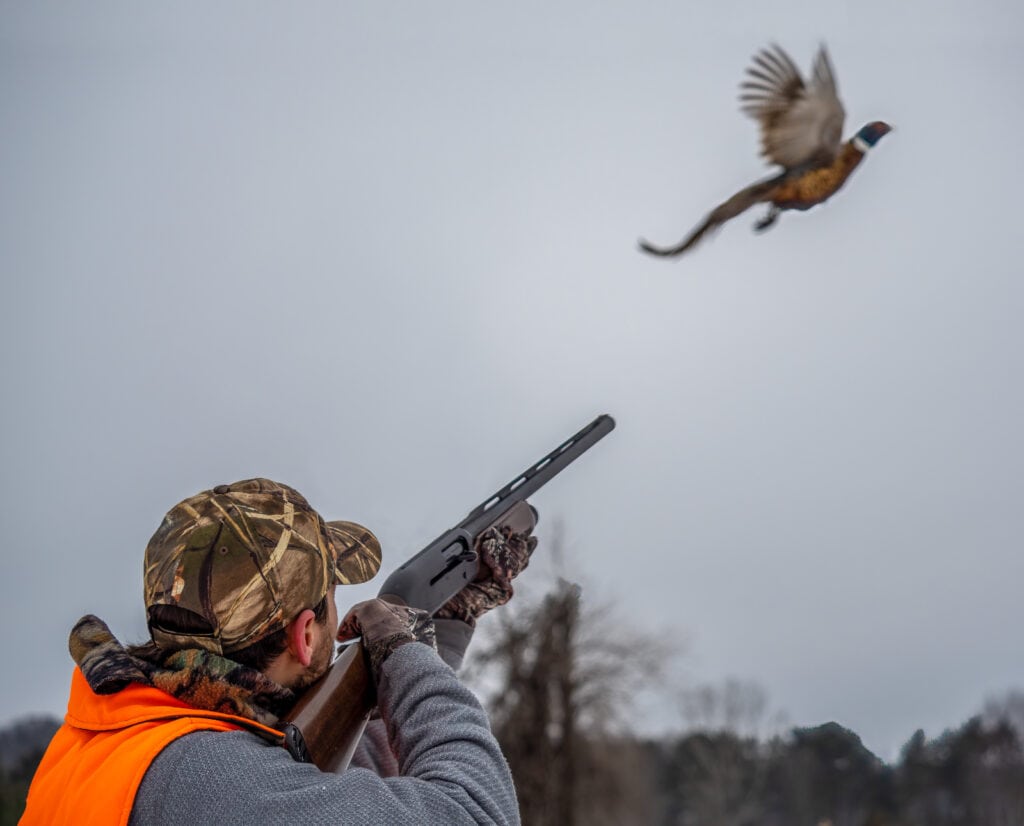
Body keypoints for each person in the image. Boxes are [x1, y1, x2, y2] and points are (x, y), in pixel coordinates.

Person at [22, 477, 536, 825]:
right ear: (305, 634)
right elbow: (475, 812)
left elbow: (352, 779)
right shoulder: (207, 780)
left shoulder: (121, 732)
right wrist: (402, 650)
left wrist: (445, 621)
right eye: (333, 597)